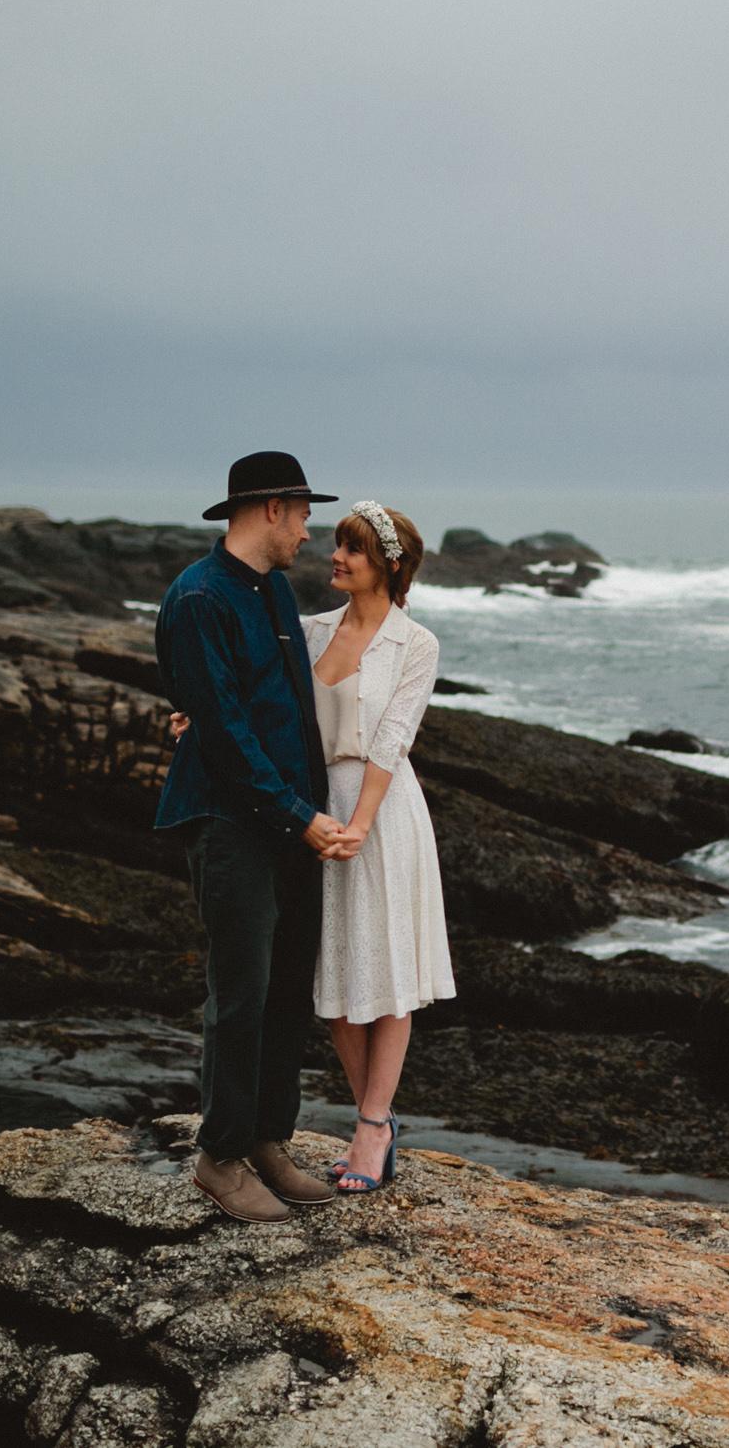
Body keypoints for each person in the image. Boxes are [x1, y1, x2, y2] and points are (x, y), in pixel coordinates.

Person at [154, 450, 357, 1223]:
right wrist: (299, 815)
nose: (310, 530)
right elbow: (226, 733)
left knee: (284, 988)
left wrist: (305, 814)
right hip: (232, 820)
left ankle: (268, 1140)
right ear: (271, 507)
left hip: (287, 822)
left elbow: (284, 710)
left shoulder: (271, 591)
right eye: (304, 513)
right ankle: (221, 1154)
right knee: (239, 992)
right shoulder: (198, 598)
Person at [302, 499, 457, 1193]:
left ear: (388, 566)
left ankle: (369, 1126)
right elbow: (263, 700)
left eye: (352, 549)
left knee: (387, 975)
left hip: (384, 813)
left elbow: (394, 737)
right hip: (313, 811)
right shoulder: (309, 631)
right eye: (336, 544)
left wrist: (360, 823)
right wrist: (196, 714)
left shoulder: (415, 643)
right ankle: (382, 1120)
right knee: (332, 985)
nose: (336, 556)